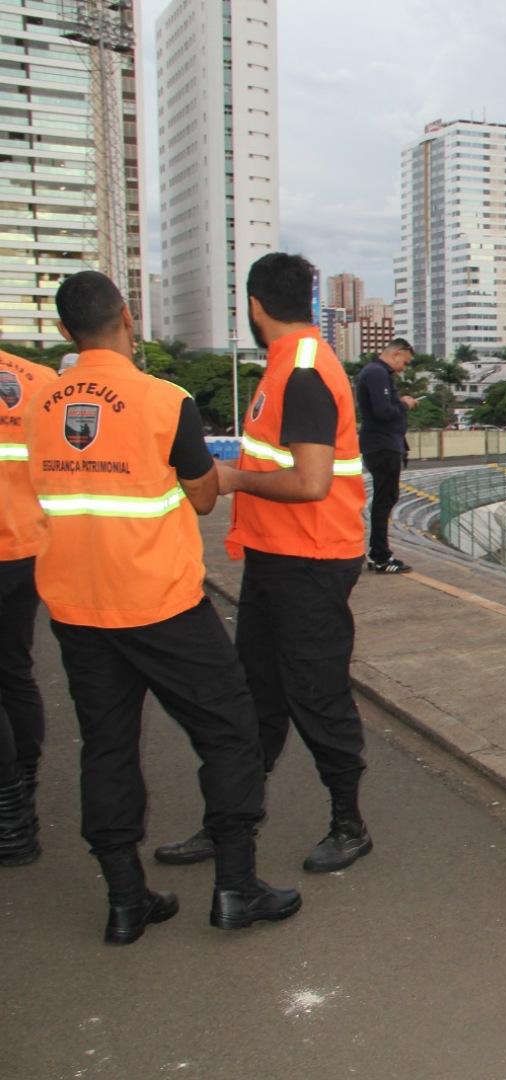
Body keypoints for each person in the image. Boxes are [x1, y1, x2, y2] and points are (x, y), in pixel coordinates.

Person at [25, 271, 300, 942]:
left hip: (75, 605)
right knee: (231, 731)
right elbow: (203, 496)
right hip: (159, 602)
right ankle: (235, 887)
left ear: (64, 332)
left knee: (107, 746)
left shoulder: (37, 401)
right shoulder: (163, 399)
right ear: (126, 315)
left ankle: (126, 901)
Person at [153, 253, 372, 875]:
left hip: (310, 558)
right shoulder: (283, 366)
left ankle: (349, 823)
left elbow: (309, 482)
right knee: (254, 696)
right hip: (275, 556)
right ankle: (229, 819)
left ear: (253, 306)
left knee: (316, 693)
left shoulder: (301, 370)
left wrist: (229, 477)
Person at [0, 347, 56, 867]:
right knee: (14, 670)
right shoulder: (39, 379)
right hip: (27, 548)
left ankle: (10, 818)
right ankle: (22, 788)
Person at [356, 338, 417, 573]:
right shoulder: (376, 373)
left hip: (384, 444)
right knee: (384, 500)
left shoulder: (378, 373)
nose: (404, 367)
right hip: (382, 446)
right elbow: (382, 412)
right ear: (397, 353)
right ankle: (380, 555)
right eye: (405, 361)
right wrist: (405, 405)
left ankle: (379, 552)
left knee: (386, 499)